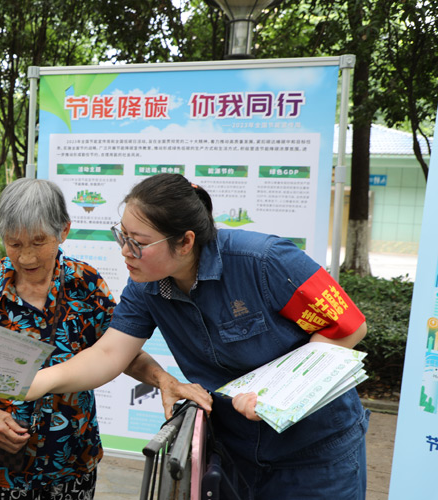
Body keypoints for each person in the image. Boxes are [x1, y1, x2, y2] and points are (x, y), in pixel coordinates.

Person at [27, 173, 370, 500]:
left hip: (314, 452)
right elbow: (108, 354)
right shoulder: (146, 286)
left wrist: (276, 391)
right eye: (122, 236)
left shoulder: (264, 260)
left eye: (138, 243)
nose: (125, 251)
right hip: (234, 451)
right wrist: (38, 381)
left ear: (186, 241)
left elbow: (350, 327)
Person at [0, 178, 206, 500]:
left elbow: (121, 352)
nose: (26, 257)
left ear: (63, 230)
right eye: (14, 243)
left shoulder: (86, 285)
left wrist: (163, 379)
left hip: (72, 460)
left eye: (38, 242)